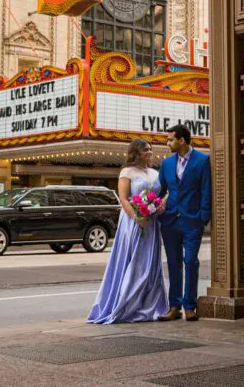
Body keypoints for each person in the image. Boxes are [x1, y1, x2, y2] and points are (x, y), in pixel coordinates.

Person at [87, 139, 169, 323]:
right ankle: (128, 305)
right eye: (146, 150)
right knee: (135, 260)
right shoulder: (127, 172)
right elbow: (124, 199)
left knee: (150, 263)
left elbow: (161, 195)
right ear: (136, 152)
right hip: (133, 221)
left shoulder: (155, 173)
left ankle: (148, 304)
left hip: (152, 223)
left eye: (150, 149)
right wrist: (136, 217)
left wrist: (160, 205)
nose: (150, 152)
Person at [157, 124, 212, 322]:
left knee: (190, 261)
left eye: (170, 139)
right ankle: (174, 307)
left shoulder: (202, 160)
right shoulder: (166, 164)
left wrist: (203, 216)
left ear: (181, 141)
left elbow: (206, 189)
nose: (167, 143)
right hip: (170, 221)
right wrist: (151, 208)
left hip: (192, 220)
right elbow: (160, 191)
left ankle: (190, 305)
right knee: (173, 263)